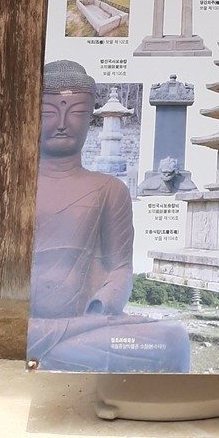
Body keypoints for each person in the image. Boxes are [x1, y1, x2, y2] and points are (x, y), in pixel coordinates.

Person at [27, 59, 191, 372]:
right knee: (16, 333)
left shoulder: (109, 189)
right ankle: (53, 346)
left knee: (173, 339)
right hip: (30, 324)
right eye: (48, 112)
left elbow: (120, 268)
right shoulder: (14, 185)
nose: (62, 123)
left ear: (91, 117)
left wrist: (99, 311)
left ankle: (53, 349)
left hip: (88, 327)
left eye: (76, 113)